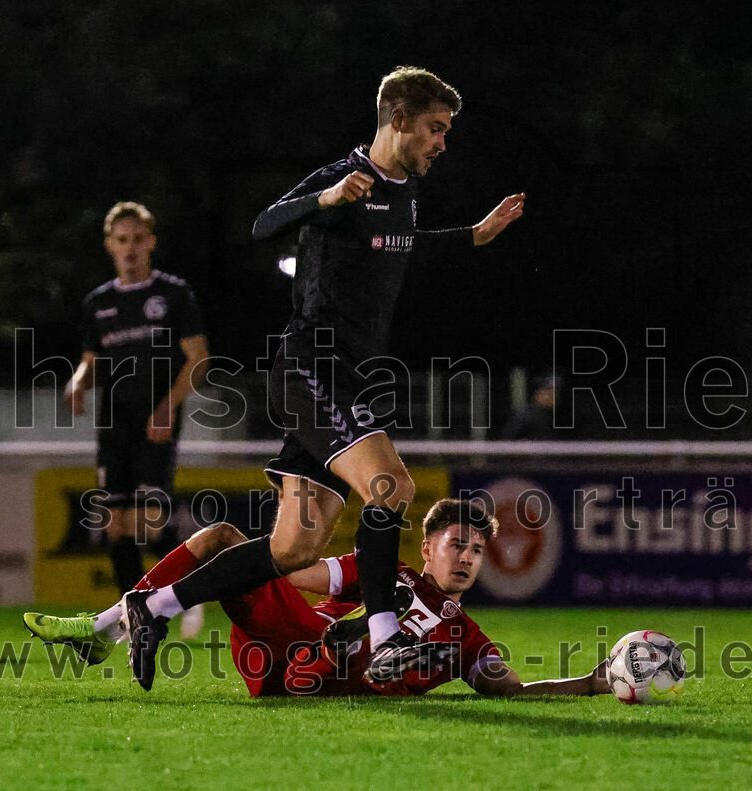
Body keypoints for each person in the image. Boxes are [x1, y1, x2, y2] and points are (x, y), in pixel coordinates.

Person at [114, 66, 526, 688]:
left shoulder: (403, 191)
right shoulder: (346, 177)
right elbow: (264, 224)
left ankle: (155, 605)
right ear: (398, 120)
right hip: (311, 368)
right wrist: (326, 200)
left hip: (348, 379)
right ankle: (386, 636)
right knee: (391, 486)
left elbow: (401, 246)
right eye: (436, 129)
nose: (443, 143)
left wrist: (473, 235)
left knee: (293, 549)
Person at [24, 499, 612, 698]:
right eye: (457, 545)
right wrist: (264, 567)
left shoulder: (467, 635)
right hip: (288, 639)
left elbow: (509, 689)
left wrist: (590, 682)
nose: (467, 558)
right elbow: (297, 575)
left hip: (305, 671)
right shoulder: (385, 571)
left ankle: (106, 630)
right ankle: (105, 629)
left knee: (371, 648)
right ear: (427, 549)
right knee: (222, 540)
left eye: (477, 551)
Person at [64, 202, 209, 598]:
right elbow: (90, 361)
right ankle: (135, 613)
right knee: (115, 524)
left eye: (137, 239)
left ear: (151, 243)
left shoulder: (173, 294)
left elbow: (199, 359)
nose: (130, 247)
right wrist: (76, 383)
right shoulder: (97, 303)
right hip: (115, 421)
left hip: (156, 419)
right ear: (110, 245)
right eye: (122, 240)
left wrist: (168, 405)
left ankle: (188, 594)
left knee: (149, 523)